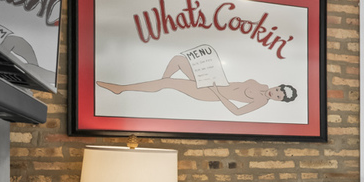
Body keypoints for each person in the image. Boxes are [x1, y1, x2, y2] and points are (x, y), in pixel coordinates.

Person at [97, 53, 296, 116]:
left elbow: (236, 112)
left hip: (210, 93)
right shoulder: (262, 84)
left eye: (278, 97)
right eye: (278, 90)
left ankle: (121, 89)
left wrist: (218, 93)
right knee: (178, 60)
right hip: (215, 82)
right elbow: (234, 84)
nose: (274, 94)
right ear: (277, 86)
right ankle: (160, 84)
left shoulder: (262, 102)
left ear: (278, 101)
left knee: (168, 82)